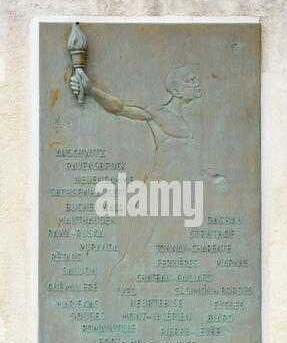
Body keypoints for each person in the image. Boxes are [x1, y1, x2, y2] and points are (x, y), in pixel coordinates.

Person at [70, 66, 227, 279]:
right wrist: (91, 90)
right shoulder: (157, 112)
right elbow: (119, 108)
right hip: (158, 190)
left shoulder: (189, 123)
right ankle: (118, 284)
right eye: (191, 80)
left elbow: (184, 161)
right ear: (177, 91)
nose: (197, 84)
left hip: (182, 192)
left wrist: (211, 176)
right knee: (133, 256)